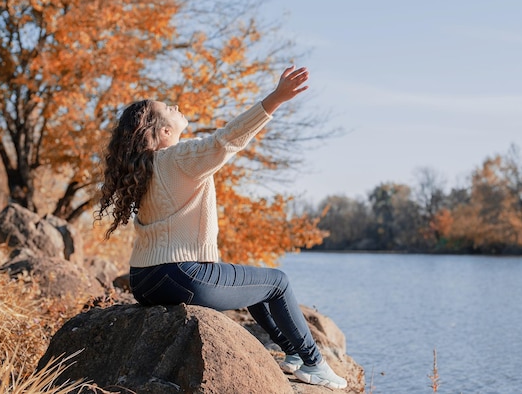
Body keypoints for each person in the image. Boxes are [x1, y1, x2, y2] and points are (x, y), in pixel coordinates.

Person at [97, 66, 347, 389]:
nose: (174, 106)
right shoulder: (175, 159)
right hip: (180, 275)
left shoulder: (146, 169)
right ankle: (315, 363)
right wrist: (275, 99)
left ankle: (293, 353)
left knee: (255, 285)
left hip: (143, 279)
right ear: (162, 133)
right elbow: (226, 140)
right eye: (166, 109)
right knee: (278, 282)